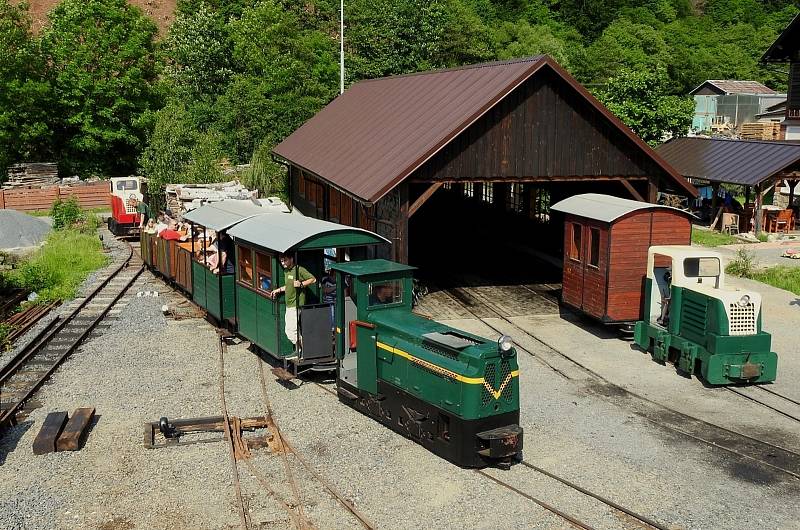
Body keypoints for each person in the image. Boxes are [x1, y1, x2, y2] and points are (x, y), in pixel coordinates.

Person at [268, 254, 316, 351]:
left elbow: (313, 279)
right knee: (290, 331)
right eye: (281, 261)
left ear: (291, 259)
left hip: (296, 304)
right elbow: (289, 286)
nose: (283, 263)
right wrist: (279, 290)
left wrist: (301, 284)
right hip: (289, 304)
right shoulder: (286, 271)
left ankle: (306, 350)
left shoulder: (299, 270)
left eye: (285, 260)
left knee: (292, 331)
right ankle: (300, 350)